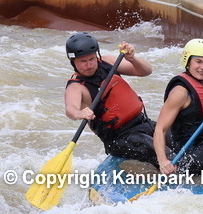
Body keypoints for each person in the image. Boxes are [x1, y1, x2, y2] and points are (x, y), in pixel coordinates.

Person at [64, 32, 158, 167]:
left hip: (142, 123)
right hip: (119, 138)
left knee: (176, 138)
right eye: (83, 61)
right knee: (162, 153)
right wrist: (80, 113)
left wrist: (132, 59)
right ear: (73, 62)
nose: (89, 65)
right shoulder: (76, 86)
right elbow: (70, 109)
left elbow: (146, 71)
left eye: (91, 59)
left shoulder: (108, 62)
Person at [153, 39, 203, 175]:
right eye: (198, 61)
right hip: (191, 149)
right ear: (187, 61)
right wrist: (163, 161)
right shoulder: (180, 93)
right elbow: (160, 129)